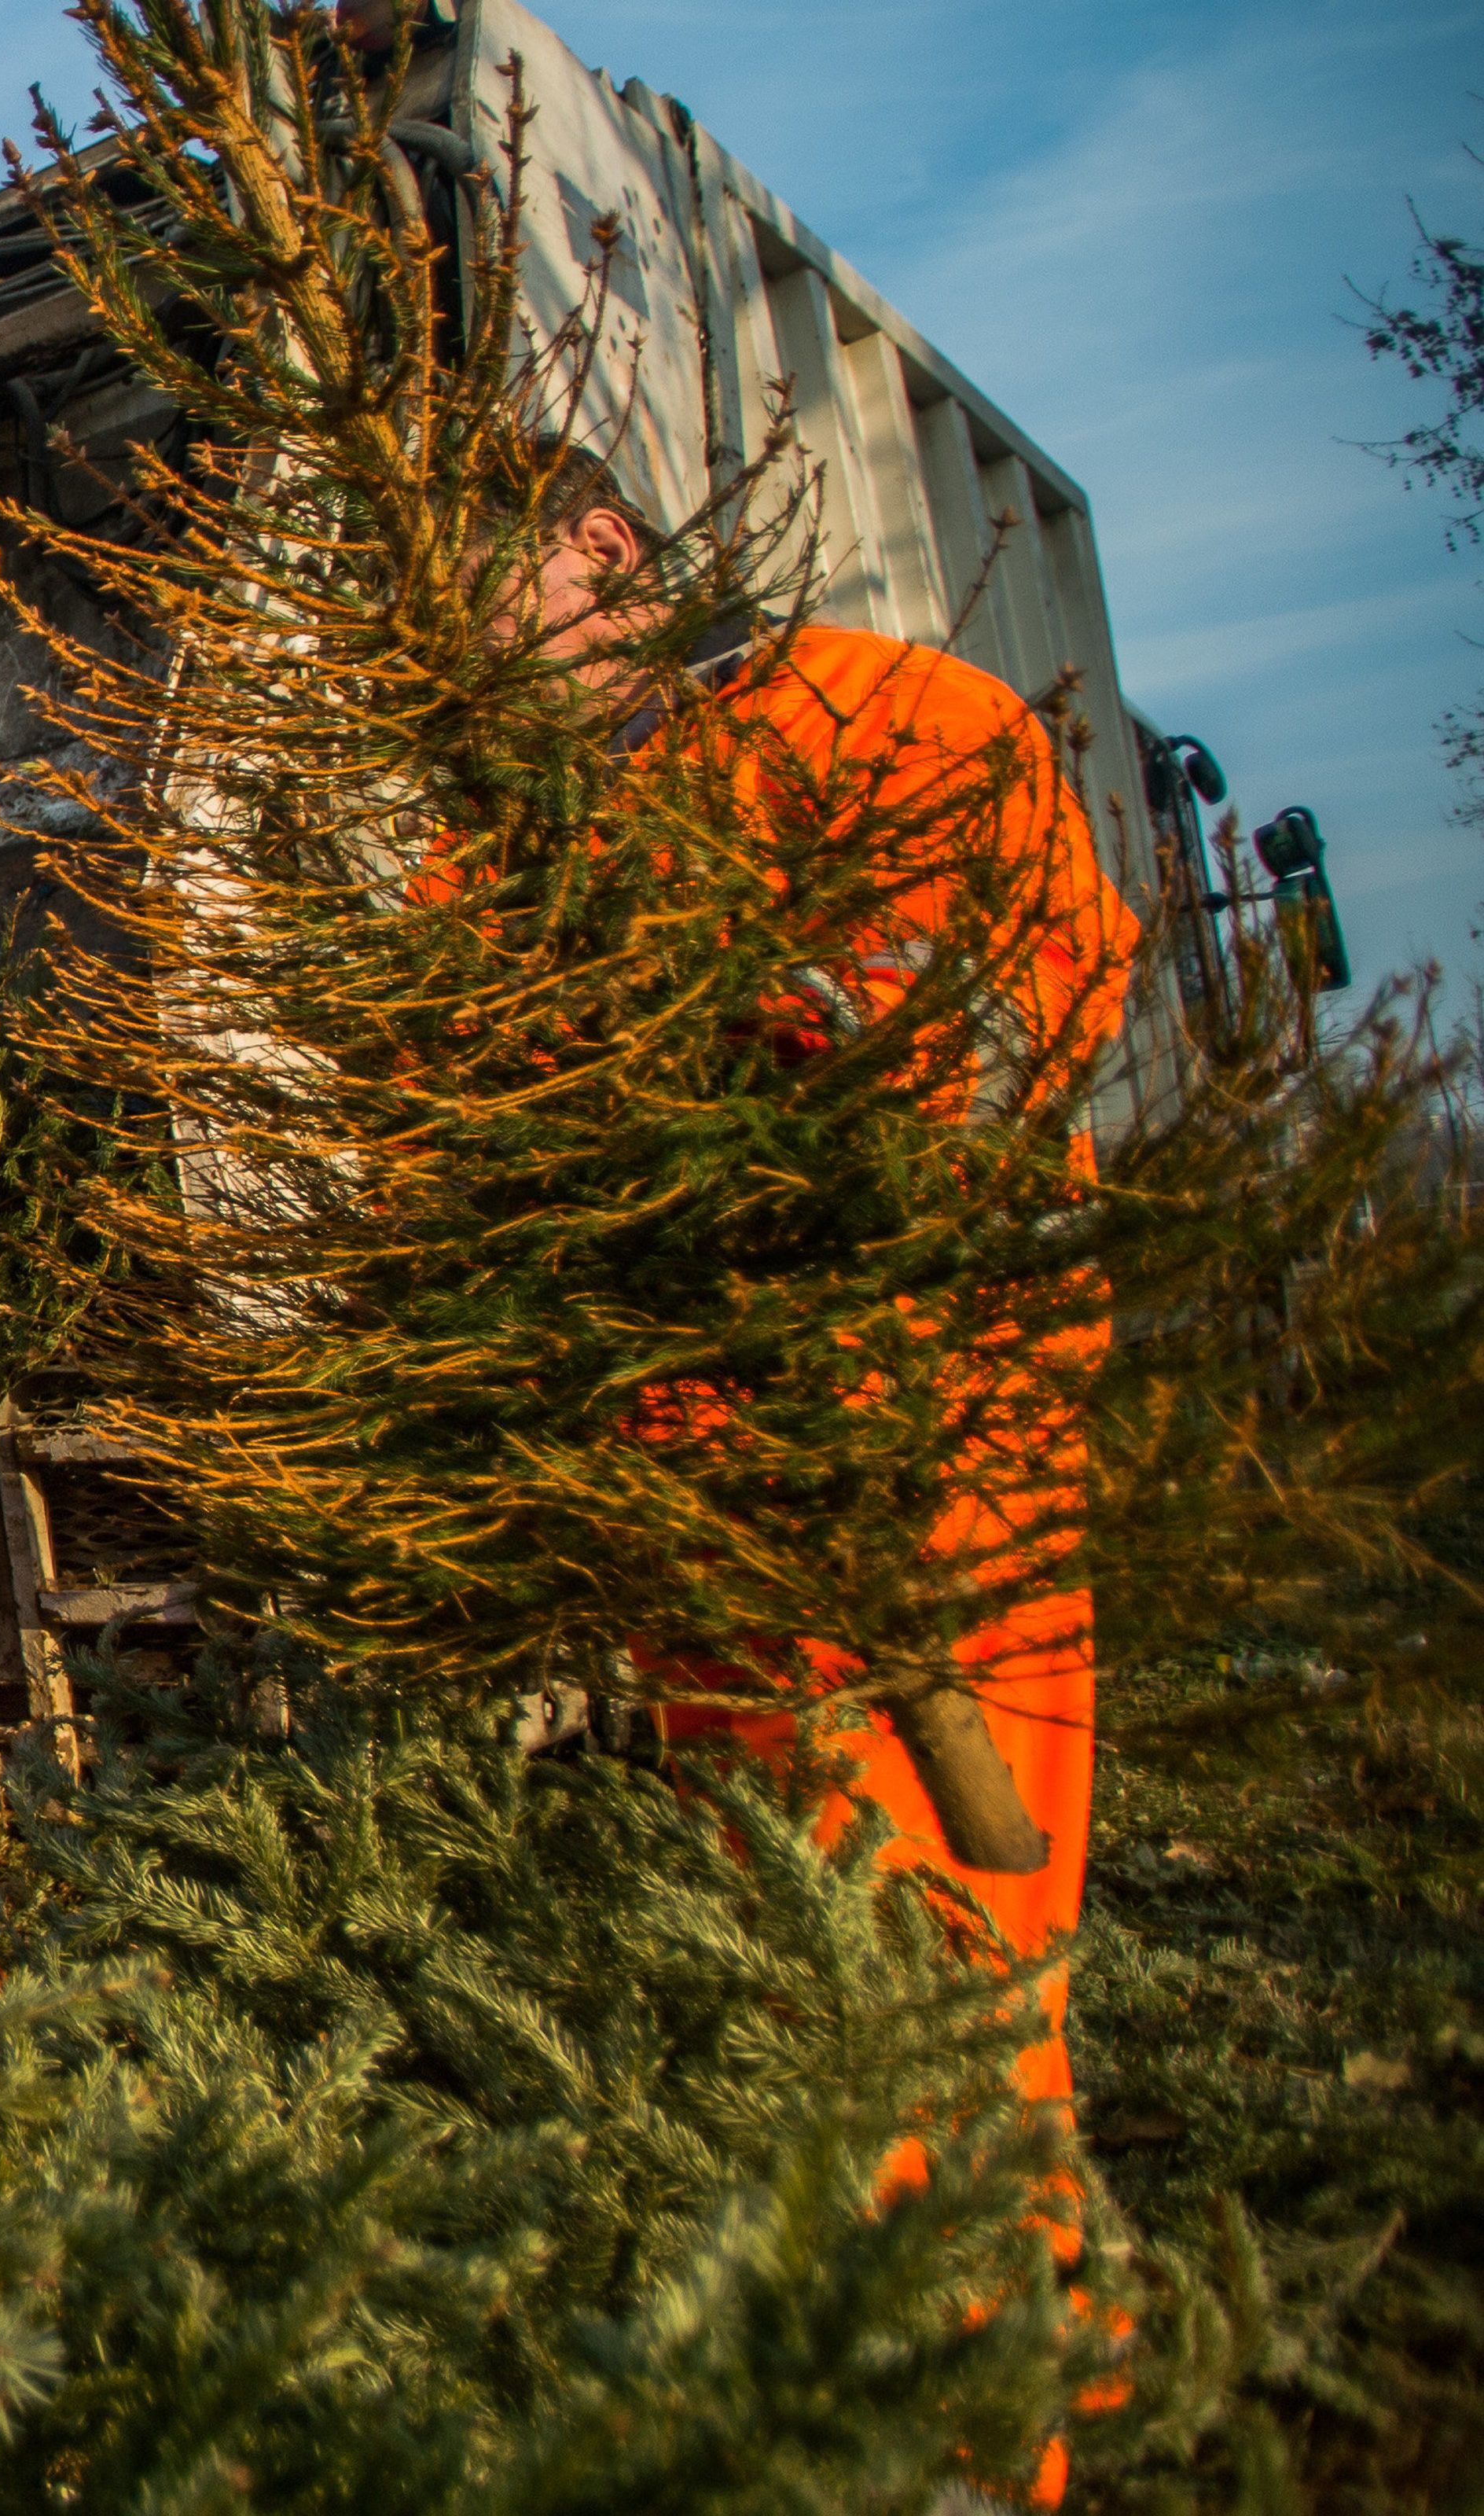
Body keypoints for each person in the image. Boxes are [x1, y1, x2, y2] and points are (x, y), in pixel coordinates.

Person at [507, 450, 1139, 2504]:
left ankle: (982, 2445)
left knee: (943, 1996)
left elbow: (1056, 997)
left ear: (604, 556)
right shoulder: (511, 859)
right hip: (708, 1541)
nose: (461, 669)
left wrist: (839, 1045)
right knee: (783, 1999)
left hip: (925, 1494)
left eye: (477, 606)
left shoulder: (898, 730)